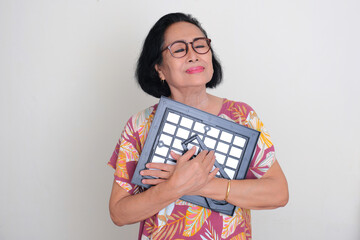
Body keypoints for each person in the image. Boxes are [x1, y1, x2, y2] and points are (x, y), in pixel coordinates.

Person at [108, 12, 288, 240]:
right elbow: (119, 213)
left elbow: (278, 193)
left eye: (200, 46)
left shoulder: (241, 116)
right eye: (179, 49)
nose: (193, 55)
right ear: (159, 68)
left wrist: (201, 184)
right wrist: (173, 186)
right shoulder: (140, 125)